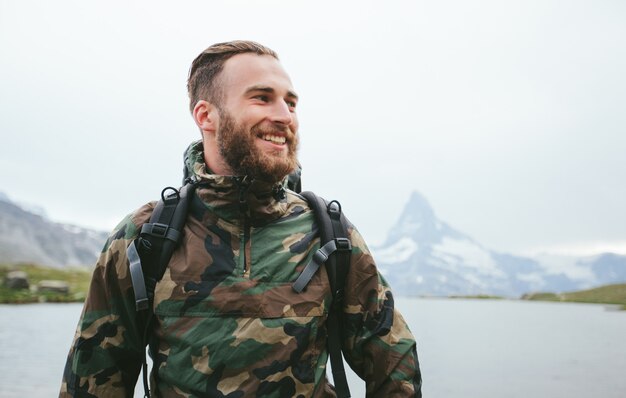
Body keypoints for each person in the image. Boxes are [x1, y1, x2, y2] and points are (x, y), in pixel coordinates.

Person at [60, 40, 422, 397]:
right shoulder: (145, 237)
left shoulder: (330, 235)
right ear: (206, 116)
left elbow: (395, 366)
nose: (284, 116)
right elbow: (93, 379)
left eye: (291, 102)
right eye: (262, 98)